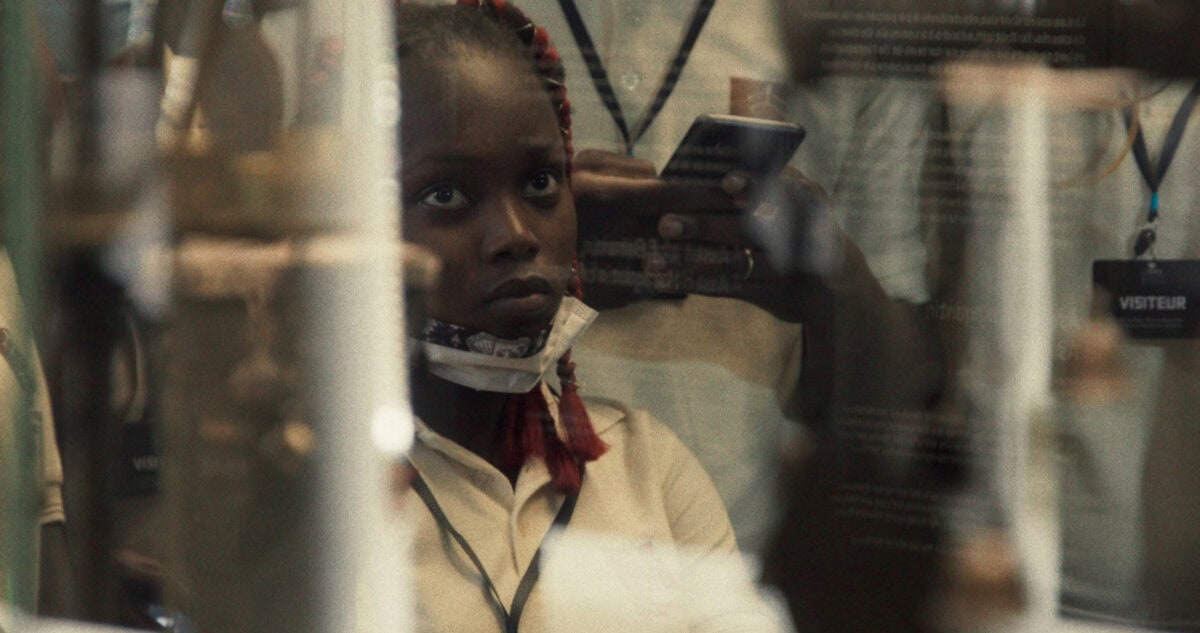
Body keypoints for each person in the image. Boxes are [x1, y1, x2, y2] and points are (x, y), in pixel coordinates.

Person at [396, 2, 778, 631]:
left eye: (541, 183)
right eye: (447, 194)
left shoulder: (645, 468)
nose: (516, 235)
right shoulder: (319, 492)